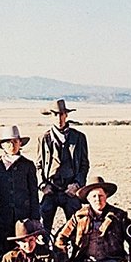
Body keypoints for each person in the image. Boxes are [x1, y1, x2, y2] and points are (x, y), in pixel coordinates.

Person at [0, 125, 40, 259]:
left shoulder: (28, 165)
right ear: (2, 145)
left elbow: (33, 193)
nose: (11, 145)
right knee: (3, 247)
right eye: (8, 142)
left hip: (23, 216)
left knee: (24, 248)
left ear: (20, 143)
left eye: (15, 141)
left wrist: (35, 218)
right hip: (3, 216)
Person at [36, 99, 89, 231]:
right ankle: (46, 250)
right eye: (55, 115)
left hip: (70, 189)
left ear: (66, 115)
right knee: (42, 224)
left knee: (77, 225)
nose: (59, 118)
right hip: (51, 189)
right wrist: (43, 185)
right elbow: (39, 165)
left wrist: (77, 185)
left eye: (61, 114)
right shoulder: (44, 139)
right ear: (51, 116)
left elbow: (84, 165)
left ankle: (75, 250)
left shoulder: (79, 137)